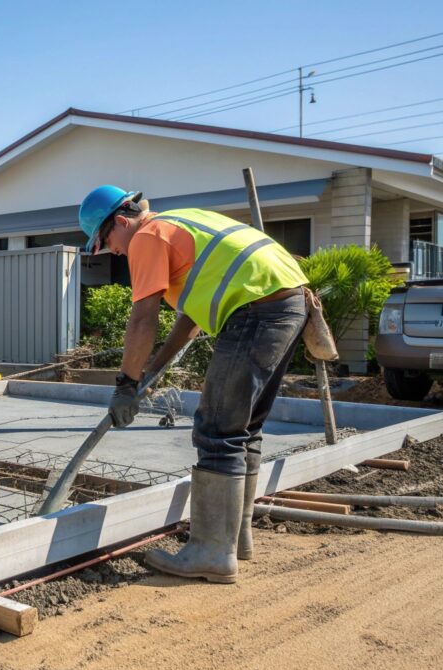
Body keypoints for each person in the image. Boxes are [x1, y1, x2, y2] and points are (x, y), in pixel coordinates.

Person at [77, 185, 309, 584]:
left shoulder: (147, 237)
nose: (110, 251)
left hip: (256, 310)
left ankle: (211, 552)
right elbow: (190, 317)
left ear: (120, 221)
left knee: (217, 430)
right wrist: (153, 370)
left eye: (105, 241)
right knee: (243, 428)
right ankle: (235, 540)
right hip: (288, 303)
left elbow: (143, 317)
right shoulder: (181, 223)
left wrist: (126, 384)